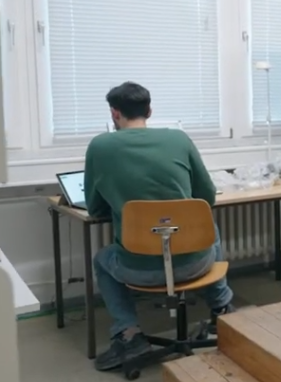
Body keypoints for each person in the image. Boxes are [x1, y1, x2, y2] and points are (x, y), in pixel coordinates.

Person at [84, 82, 236, 372]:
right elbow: (206, 198)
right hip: (197, 265)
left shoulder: (100, 146)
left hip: (138, 270)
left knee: (102, 260)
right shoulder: (179, 139)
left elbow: (94, 208)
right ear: (149, 111)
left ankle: (129, 334)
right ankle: (222, 310)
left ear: (115, 113)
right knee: (208, 227)